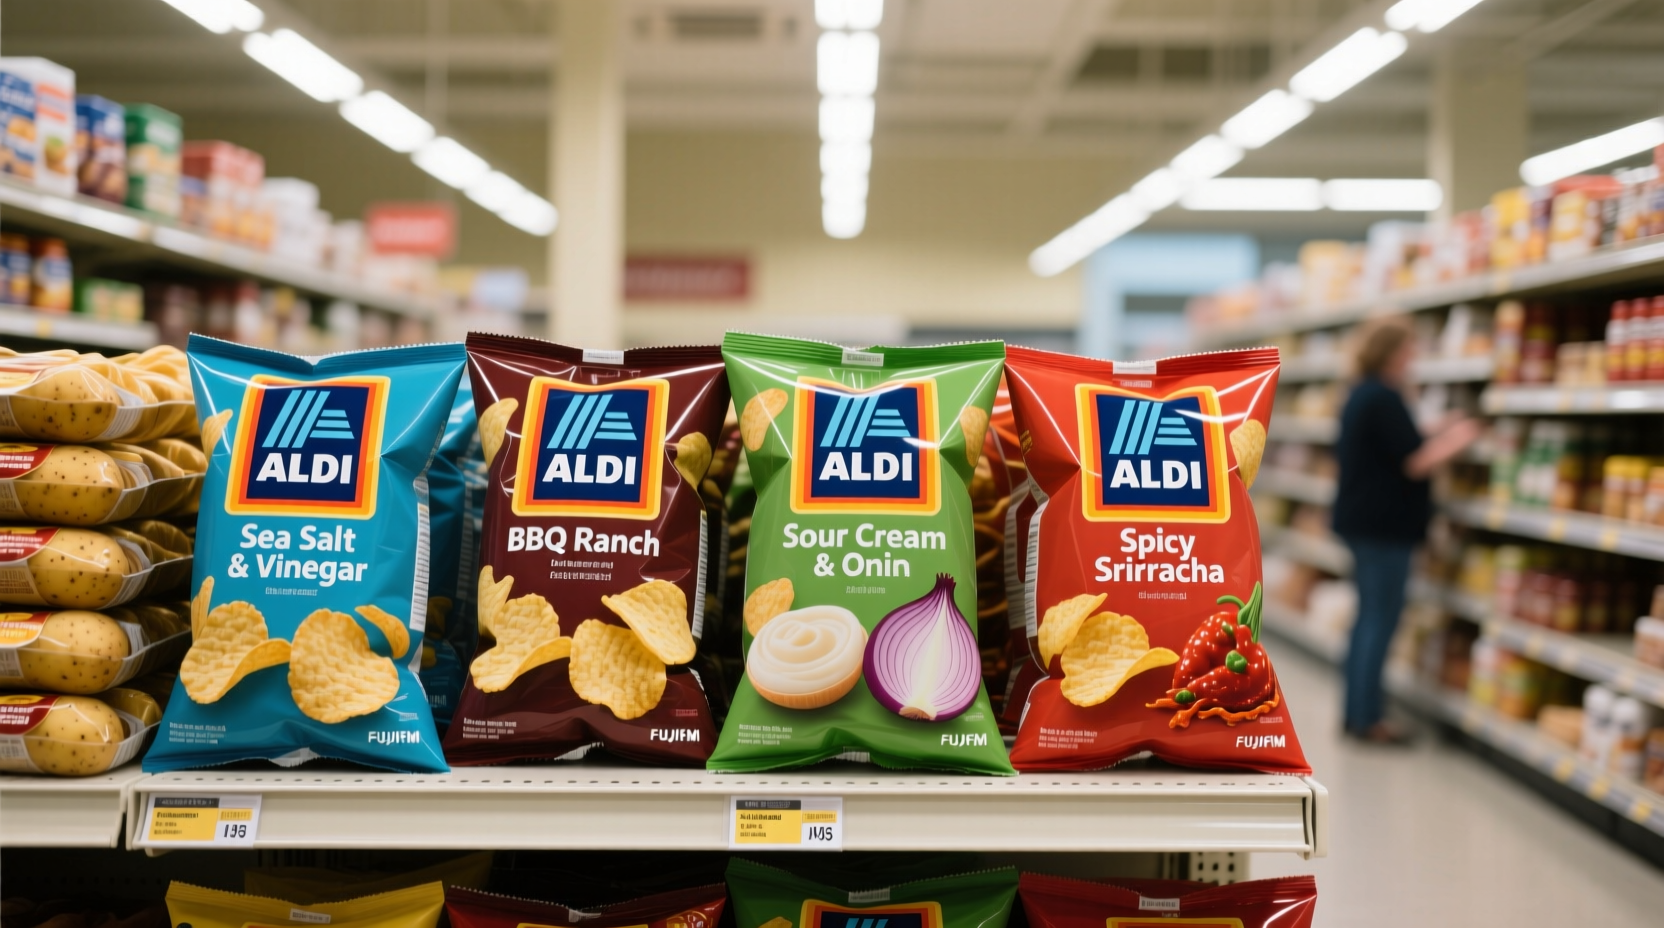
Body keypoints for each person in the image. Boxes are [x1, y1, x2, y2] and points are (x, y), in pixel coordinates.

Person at [1332, 320, 1479, 744]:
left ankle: (1355, 712)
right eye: (1410, 349)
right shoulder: (1384, 396)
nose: (1413, 357)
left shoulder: (1363, 392)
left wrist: (1439, 427)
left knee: (1366, 619)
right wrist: (1462, 437)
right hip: (1384, 530)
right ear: (1393, 352)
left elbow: (1397, 441)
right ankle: (1369, 720)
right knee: (1380, 620)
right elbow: (1414, 460)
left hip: (1363, 525)